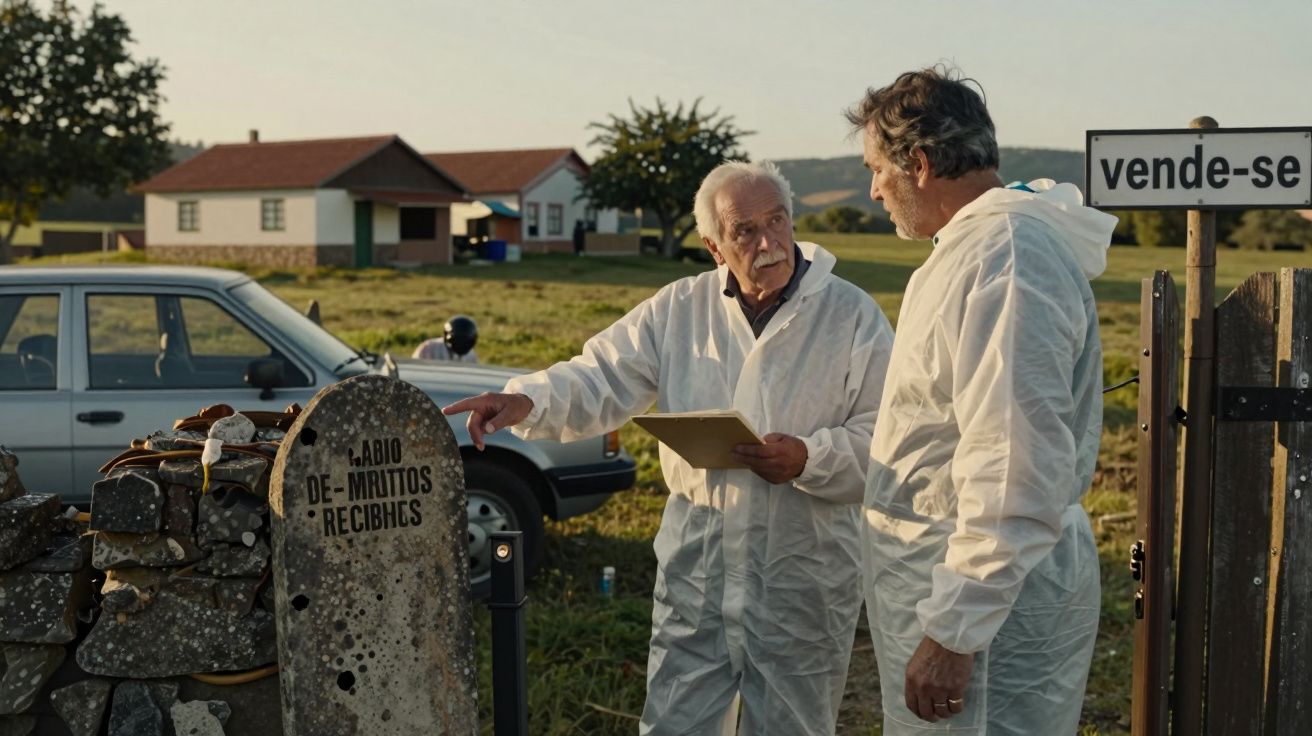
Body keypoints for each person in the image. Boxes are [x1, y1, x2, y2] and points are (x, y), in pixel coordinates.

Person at [444, 161, 894, 735]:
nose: (768, 243)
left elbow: (888, 433)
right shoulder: (681, 308)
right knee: (675, 723)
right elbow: (600, 375)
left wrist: (810, 457)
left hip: (801, 575)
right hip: (698, 571)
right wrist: (526, 401)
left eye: (777, 222)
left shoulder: (851, 314)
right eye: (745, 232)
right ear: (713, 246)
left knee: (792, 725)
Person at [846, 67, 1116, 734]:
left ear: (922, 163)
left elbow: (1012, 458)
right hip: (950, 584)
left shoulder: (1008, 256)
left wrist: (956, 631)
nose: (873, 188)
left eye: (877, 169)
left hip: (983, 607)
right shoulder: (976, 249)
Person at [411, 315, 479, 363]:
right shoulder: (429, 348)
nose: (461, 343)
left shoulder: (471, 355)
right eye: (459, 340)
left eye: (465, 340)